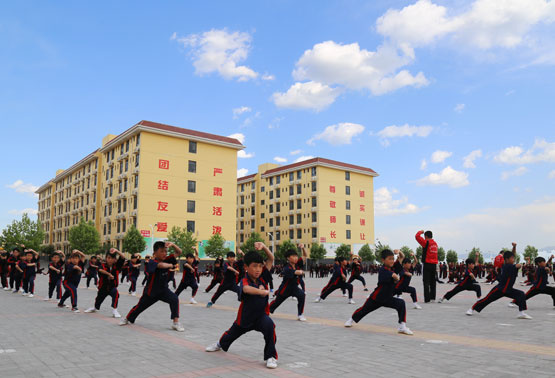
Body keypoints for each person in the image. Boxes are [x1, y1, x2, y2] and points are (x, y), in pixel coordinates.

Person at [205, 251, 278, 369]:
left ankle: (270, 356)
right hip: (245, 318)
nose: (258, 269)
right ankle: (219, 344)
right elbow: (246, 289)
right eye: (254, 266)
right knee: (231, 334)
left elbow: (271, 258)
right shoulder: (244, 280)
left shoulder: (263, 277)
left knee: (270, 326)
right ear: (246, 267)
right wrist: (262, 292)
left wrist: (263, 247)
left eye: (260, 266)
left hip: (261, 317)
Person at [344, 249, 413, 335]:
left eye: (392, 258)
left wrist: (399, 252)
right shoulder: (382, 270)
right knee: (364, 310)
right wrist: (396, 278)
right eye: (389, 259)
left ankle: (402, 327)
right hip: (376, 298)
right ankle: (351, 320)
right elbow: (394, 276)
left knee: (401, 304)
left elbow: (402, 257)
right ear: (383, 260)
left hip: (388, 298)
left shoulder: (393, 267)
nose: (392, 261)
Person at [120, 241, 184, 332]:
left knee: (174, 299)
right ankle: (127, 318)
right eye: (162, 251)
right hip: (151, 292)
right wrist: (171, 265)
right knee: (139, 307)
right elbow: (161, 265)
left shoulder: (167, 258)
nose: (164, 253)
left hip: (163, 290)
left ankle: (175, 323)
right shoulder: (151, 262)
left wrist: (173, 245)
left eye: (165, 251)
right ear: (154, 253)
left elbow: (179, 252)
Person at [467, 243, 531, 319]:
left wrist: (514, 247)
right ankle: (471, 309)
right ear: (507, 259)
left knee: (521, 294)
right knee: (487, 300)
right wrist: (519, 265)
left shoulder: (511, 264)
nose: (514, 259)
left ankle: (521, 313)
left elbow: (513, 255)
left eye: (513, 258)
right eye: (512, 258)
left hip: (508, 289)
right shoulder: (506, 266)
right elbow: (516, 265)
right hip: (499, 289)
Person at [85, 248, 127, 318]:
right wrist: (109, 274)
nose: (110, 260)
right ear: (106, 258)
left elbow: (123, 257)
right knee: (98, 299)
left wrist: (116, 251)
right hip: (103, 287)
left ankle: (114, 310)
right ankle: (95, 308)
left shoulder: (116, 265)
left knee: (116, 294)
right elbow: (100, 270)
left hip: (112, 287)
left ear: (114, 259)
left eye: (112, 258)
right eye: (108, 258)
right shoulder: (103, 265)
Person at [269, 245, 306, 321]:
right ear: (288, 258)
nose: (295, 258)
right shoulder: (287, 267)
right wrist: (301, 272)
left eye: (296, 256)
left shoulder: (297, 264)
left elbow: (305, 256)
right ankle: (266, 311)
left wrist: (302, 248)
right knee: (276, 302)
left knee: (302, 295)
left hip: (294, 288)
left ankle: (300, 314)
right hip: (285, 289)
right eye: (293, 256)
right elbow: (296, 272)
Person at [415, 230, 438, 303]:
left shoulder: (426, 242)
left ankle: (427, 299)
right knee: (433, 282)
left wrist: (420, 232)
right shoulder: (435, 244)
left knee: (426, 282)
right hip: (434, 265)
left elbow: (417, 237)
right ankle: (433, 298)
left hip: (427, 264)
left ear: (426, 236)